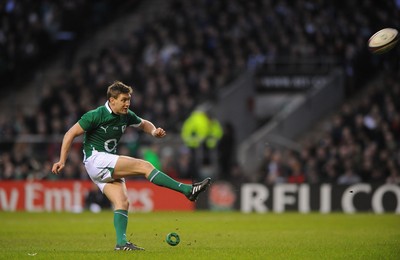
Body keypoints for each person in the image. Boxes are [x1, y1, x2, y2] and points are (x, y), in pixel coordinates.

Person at [51, 81, 211, 251]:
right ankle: (187, 190)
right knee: (145, 166)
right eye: (123, 99)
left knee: (123, 202)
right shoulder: (95, 115)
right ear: (112, 100)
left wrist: (154, 131)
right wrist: (62, 160)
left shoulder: (126, 115)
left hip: (104, 164)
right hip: (96, 160)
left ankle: (121, 243)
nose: (127, 103)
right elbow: (70, 134)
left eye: (128, 99)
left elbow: (143, 123)